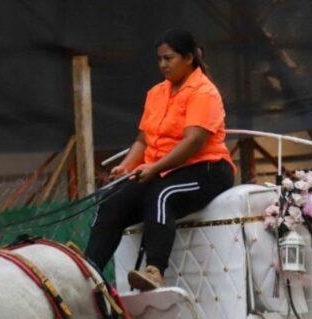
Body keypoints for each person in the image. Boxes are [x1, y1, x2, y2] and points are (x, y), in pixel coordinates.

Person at [84, 29, 235, 291]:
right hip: (163, 170)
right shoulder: (156, 93)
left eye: (169, 58)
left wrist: (154, 168)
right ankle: (88, 273)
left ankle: (155, 270)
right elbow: (143, 140)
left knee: (161, 194)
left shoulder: (203, 91)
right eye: (160, 59)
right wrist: (126, 167)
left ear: (188, 58)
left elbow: (193, 142)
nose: (162, 65)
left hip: (206, 170)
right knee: (112, 199)